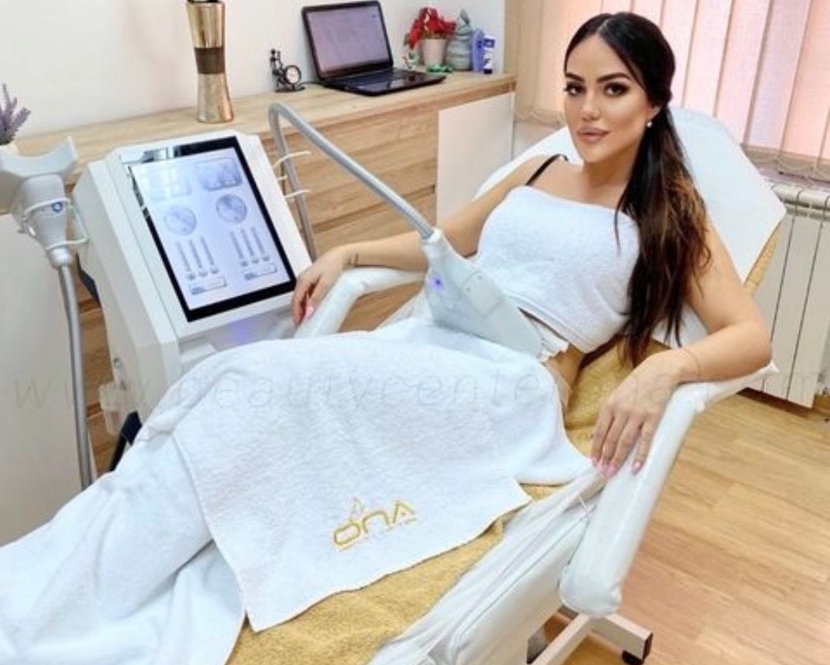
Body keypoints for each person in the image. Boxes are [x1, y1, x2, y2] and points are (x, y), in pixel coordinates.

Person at [0, 11, 771, 665]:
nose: (587, 111)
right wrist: (349, 252)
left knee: (256, 384)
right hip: (434, 340)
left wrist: (663, 371)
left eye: (613, 89)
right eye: (574, 88)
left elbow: (749, 337)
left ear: (654, 102)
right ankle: (55, 596)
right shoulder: (538, 173)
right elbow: (444, 244)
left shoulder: (670, 212)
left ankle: (56, 611)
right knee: (228, 388)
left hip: (509, 383)